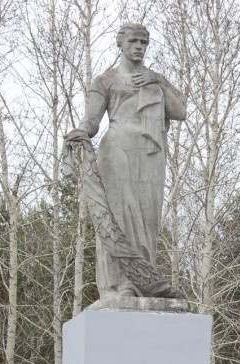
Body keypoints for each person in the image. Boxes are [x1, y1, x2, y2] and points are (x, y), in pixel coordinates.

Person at [64, 22, 187, 299]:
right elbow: (91, 120)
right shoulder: (105, 81)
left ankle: (143, 281)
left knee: (147, 220)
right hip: (117, 151)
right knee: (118, 218)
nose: (139, 47)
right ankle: (119, 284)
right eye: (133, 41)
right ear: (121, 44)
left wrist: (159, 81)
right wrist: (80, 133)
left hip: (150, 154)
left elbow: (180, 111)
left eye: (143, 42)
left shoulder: (155, 79)